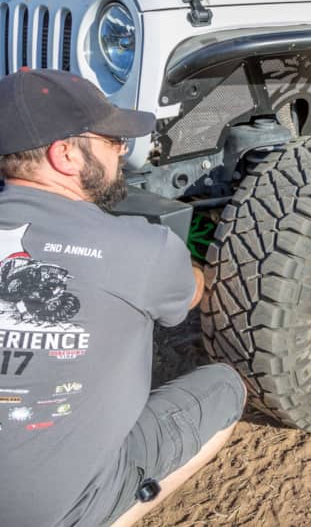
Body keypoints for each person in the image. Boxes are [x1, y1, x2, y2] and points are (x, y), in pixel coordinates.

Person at [0, 69, 246, 527]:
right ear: (66, 154)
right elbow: (192, 293)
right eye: (112, 141)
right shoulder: (139, 248)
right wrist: (186, 267)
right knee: (226, 387)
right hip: (46, 513)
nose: (123, 151)